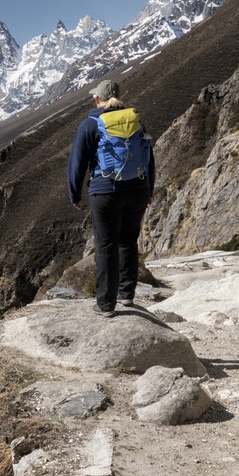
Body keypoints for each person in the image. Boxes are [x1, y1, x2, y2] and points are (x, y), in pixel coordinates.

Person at [66, 79, 156, 317]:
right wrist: (149, 189)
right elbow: (149, 157)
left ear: (98, 99)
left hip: (106, 191)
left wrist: (74, 194)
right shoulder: (136, 120)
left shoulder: (90, 124)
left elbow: (77, 162)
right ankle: (127, 295)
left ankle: (106, 304)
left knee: (106, 245)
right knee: (128, 241)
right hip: (138, 189)